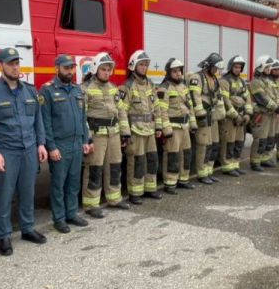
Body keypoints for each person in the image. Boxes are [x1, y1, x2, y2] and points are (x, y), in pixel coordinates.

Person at [0, 47, 49, 256]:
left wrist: (41, 144)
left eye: (17, 63)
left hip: (28, 149)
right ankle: (4, 236)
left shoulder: (30, 90)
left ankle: (27, 229)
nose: (15, 67)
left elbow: (38, 121)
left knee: (28, 192)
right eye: (10, 63)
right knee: (4, 195)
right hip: (6, 152)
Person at [40, 54, 92, 233]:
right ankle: (59, 218)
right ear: (57, 69)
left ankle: (72, 213)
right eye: (66, 68)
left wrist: (85, 140)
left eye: (71, 68)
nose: (70, 71)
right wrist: (51, 147)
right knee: (58, 184)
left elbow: (83, 117)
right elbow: (44, 122)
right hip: (60, 145)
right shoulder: (47, 90)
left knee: (73, 182)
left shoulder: (77, 90)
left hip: (77, 143)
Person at [81, 52, 130, 214]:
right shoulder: (86, 88)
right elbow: (82, 116)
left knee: (115, 166)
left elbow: (121, 111)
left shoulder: (113, 88)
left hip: (114, 134)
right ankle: (91, 204)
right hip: (97, 135)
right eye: (104, 69)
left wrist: (125, 132)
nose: (107, 72)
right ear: (95, 68)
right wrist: (86, 138)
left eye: (109, 69)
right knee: (95, 168)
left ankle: (114, 198)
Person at [118, 50, 167, 205]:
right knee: (137, 162)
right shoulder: (127, 87)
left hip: (150, 130)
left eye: (146, 65)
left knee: (152, 160)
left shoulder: (151, 84)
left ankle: (150, 189)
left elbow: (157, 107)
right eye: (141, 64)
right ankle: (135, 192)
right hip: (136, 131)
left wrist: (159, 126)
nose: (144, 67)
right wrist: (125, 133)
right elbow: (122, 111)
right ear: (133, 66)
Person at [186, 53, 227, 184]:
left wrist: (222, 113)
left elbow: (217, 96)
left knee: (213, 144)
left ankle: (208, 171)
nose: (217, 71)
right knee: (203, 145)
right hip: (203, 117)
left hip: (212, 116)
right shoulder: (197, 78)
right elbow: (194, 97)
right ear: (208, 66)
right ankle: (201, 173)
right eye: (215, 68)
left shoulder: (214, 78)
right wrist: (200, 115)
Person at [158, 58, 195, 193]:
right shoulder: (164, 88)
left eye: (179, 71)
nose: (178, 74)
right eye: (175, 71)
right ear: (169, 73)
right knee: (172, 156)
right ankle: (170, 183)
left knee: (186, 154)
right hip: (173, 128)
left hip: (185, 126)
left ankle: (184, 179)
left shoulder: (184, 87)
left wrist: (193, 123)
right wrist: (166, 129)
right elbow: (162, 111)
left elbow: (190, 106)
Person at [217, 55, 252, 176]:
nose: (238, 69)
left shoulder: (242, 81)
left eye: (240, 67)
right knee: (228, 142)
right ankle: (227, 166)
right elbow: (225, 100)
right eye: (236, 67)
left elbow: (247, 98)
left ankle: (235, 164)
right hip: (230, 118)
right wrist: (234, 115)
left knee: (239, 142)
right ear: (231, 67)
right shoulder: (224, 81)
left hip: (241, 117)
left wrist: (247, 114)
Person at [247, 56, 272, 172]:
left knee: (265, 139)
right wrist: (276, 106)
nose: (269, 69)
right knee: (259, 139)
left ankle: (262, 159)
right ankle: (255, 162)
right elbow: (262, 99)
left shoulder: (265, 81)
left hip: (267, 114)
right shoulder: (256, 82)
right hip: (259, 115)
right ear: (261, 67)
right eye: (267, 67)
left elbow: (272, 96)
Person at [262, 58, 279, 167]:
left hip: (278, 111)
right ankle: (265, 158)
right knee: (268, 137)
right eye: (275, 69)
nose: (278, 72)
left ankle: (269, 157)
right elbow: (268, 97)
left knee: (273, 136)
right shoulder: (267, 82)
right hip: (271, 111)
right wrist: (277, 106)